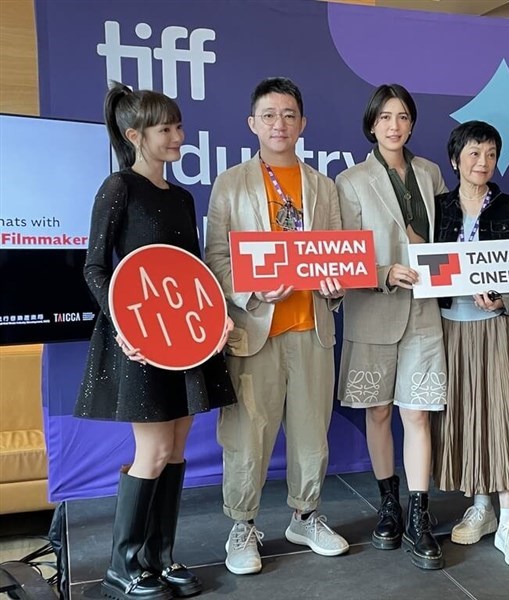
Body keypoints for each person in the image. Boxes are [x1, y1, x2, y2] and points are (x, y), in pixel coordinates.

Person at [74, 82, 237, 600]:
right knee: (155, 447)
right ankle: (123, 566)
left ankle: (159, 558)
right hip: (138, 344)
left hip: (186, 344)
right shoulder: (118, 188)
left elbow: (191, 277)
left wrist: (218, 320)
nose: (179, 136)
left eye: (178, 126)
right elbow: (97, 267)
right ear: (134, 135)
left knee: (178, 449)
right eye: (166, 129)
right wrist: (124, 324)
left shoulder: (184, 199)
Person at [204, 77, 349, 576]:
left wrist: (334, 285)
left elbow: (335, 255)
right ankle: (242, 526)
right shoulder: (231, 182)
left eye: (288, 114)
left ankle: (305, 516)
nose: (279, 123)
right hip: (253, 330)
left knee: (313, 434)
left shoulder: (322, 186)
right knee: (248, 435)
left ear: (302, 123)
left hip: (312, 328)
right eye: (269, 115)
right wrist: (250, 290)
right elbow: (216, 259)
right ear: (252, 124)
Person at [335, 84, 447, 570]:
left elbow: (452, 234)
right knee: (378, 412)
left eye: (403, 117)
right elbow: (342, 253)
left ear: (412, 123)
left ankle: (420, 513)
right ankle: (389, 505)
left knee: (418, 414)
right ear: (372, 124)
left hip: (424, 311)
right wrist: (383, 273)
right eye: (385, 117)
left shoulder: (431, 173)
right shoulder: (351, 180)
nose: (395, 126)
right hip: (373, 311)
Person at [430, 120, 509, 569]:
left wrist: (501, 295)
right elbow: (427, 264)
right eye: (474, 153)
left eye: (490, 154)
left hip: (498, 326)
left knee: (504, 412)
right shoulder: (436, 208)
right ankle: (481, 506)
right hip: (452, 326)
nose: (482, 162)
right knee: (469, 412)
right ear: (455, 160)